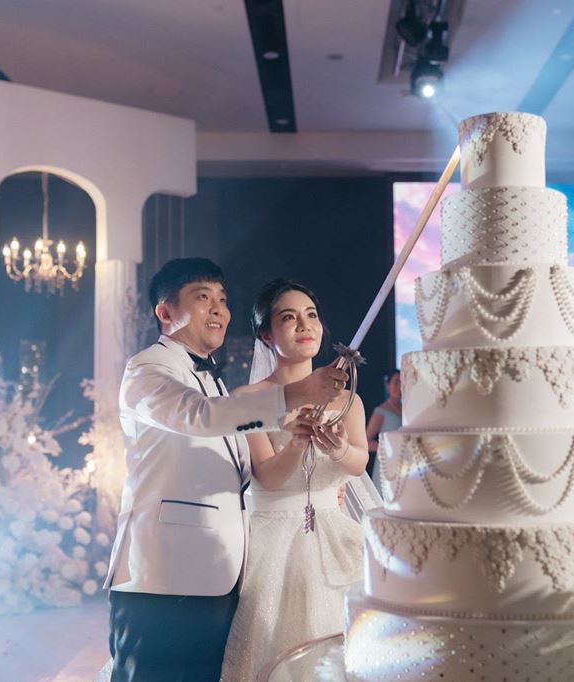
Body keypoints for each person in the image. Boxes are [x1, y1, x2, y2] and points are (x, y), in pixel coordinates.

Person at [104, 259, 347, 681]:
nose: (219, 308)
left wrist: (315, 479)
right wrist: (297, 393)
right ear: (165, 312)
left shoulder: (214, 380)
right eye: (203, 297)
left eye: (222, 298)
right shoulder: (147, 369)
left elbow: (240, 471)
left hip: (219, 574)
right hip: (164, 577)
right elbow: (201, 416)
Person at [220, 279, 368, 681]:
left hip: (334, 535)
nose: (305, 325)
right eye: (288, 317)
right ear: (267, 335)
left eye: (311, 315)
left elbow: (358, 463)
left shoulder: (348, 399)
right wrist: (298, 443)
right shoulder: (248, 398)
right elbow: (266, 477)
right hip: (273, 542)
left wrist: (339, 449)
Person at [365, 369, 401, 493]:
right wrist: (388, 446)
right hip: (386, 464)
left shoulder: (407, 410)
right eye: (396, 382)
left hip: (403, 463)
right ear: (388, 385)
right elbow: (366, 442)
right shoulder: (381, 411)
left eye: (402, 382)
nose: (399, 386)